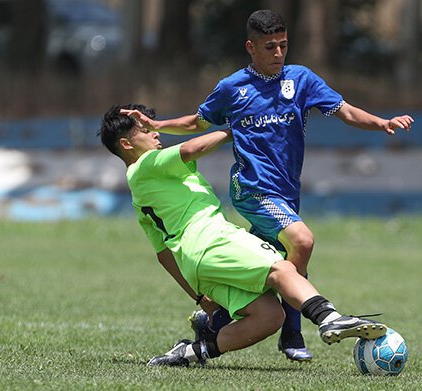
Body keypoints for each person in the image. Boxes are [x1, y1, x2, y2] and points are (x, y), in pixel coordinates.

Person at [120, 10, 414, 361]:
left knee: (268, 261)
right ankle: (295, 331)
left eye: (283, 45)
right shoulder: (233, 87)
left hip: (286, 191)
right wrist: (159, 123)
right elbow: (197, 123)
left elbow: (345, 110)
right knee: (302, 241)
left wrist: (381, 123)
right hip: (252, 188)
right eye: (270, 46)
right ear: (251, 47)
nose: (278, 53)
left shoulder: (301, 79)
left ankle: (214, 322)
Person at [98, 103, 387, 367]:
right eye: (144, 130)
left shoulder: (140, 191)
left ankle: (191, 352)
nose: (154, 133)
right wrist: (235, 130)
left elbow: (163, 255)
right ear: (126, 143)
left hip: (195, 263)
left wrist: (201, 297)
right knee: (281, 267)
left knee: (269, 316)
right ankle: (329, 318)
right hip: (211, 239)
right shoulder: (146, 164)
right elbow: (189, 149)